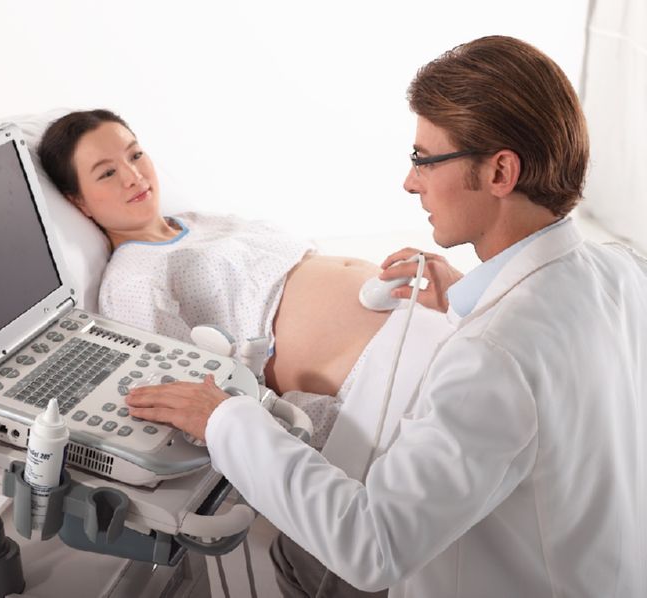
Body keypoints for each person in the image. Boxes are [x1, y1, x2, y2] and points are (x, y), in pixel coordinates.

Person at [125, 35, 647, 597]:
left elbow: (372, 545)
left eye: (425, 159)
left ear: (500, 173)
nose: (410, 181)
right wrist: (474, 296)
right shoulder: (623, 270)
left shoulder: (491, 358)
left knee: (297, 557)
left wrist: (225, 420)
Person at [38, 109, 454, 448]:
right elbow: (183, 395)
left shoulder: (199, 221)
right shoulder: (132, 279)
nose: (133, 175)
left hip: (421, 320)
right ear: (79, 202)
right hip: (375, 370)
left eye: (134, 155)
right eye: (106, 173)